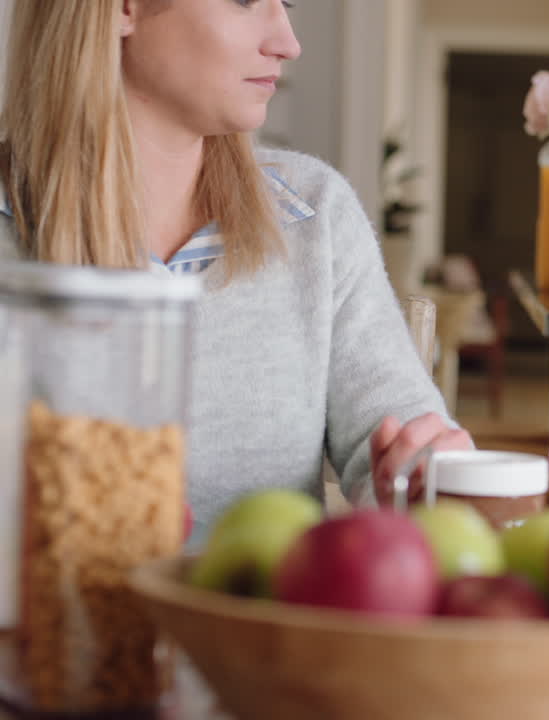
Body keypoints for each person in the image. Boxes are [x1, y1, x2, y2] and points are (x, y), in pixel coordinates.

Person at [0, 0, 471, 543]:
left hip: (258, 625)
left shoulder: (315, 212)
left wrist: (424, 473)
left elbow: (396, 439)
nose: (287, 42)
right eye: (246, 1)